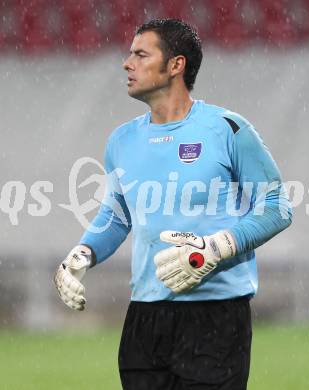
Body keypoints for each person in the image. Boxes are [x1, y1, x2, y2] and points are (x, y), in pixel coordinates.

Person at [54, 18, 292, 390]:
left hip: (216, 316)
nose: (126, 63)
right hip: (145, 318)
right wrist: (82, 254)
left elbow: (276, 206)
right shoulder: (122, 140)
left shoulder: (227, 129)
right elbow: (117, 215)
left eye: (140, 54)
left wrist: (215, 248)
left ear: (175, 65)